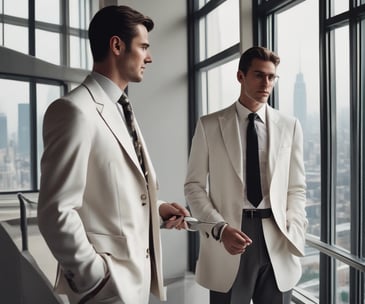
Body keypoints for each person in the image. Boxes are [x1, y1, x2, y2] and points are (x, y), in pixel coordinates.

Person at [38, 5, 189, 304]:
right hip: (107, 290)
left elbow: (111, 191)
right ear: (117, 45)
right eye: (143, 46)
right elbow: (55, 211)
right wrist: (95, 278)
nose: (149, 57)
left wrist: (157, 209)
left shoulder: (120, 108)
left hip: (135, 282)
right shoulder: (74, 111)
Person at [184, 46, 308, 304]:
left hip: (278, 237)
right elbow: (194, 186)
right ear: (240, 76)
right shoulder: (209, 125)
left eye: (272, 77)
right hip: (230, 235)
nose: (267, 83)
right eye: (259, 75)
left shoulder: (290, 126)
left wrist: (293, 228)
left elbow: (296, 187)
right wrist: (220, 228)